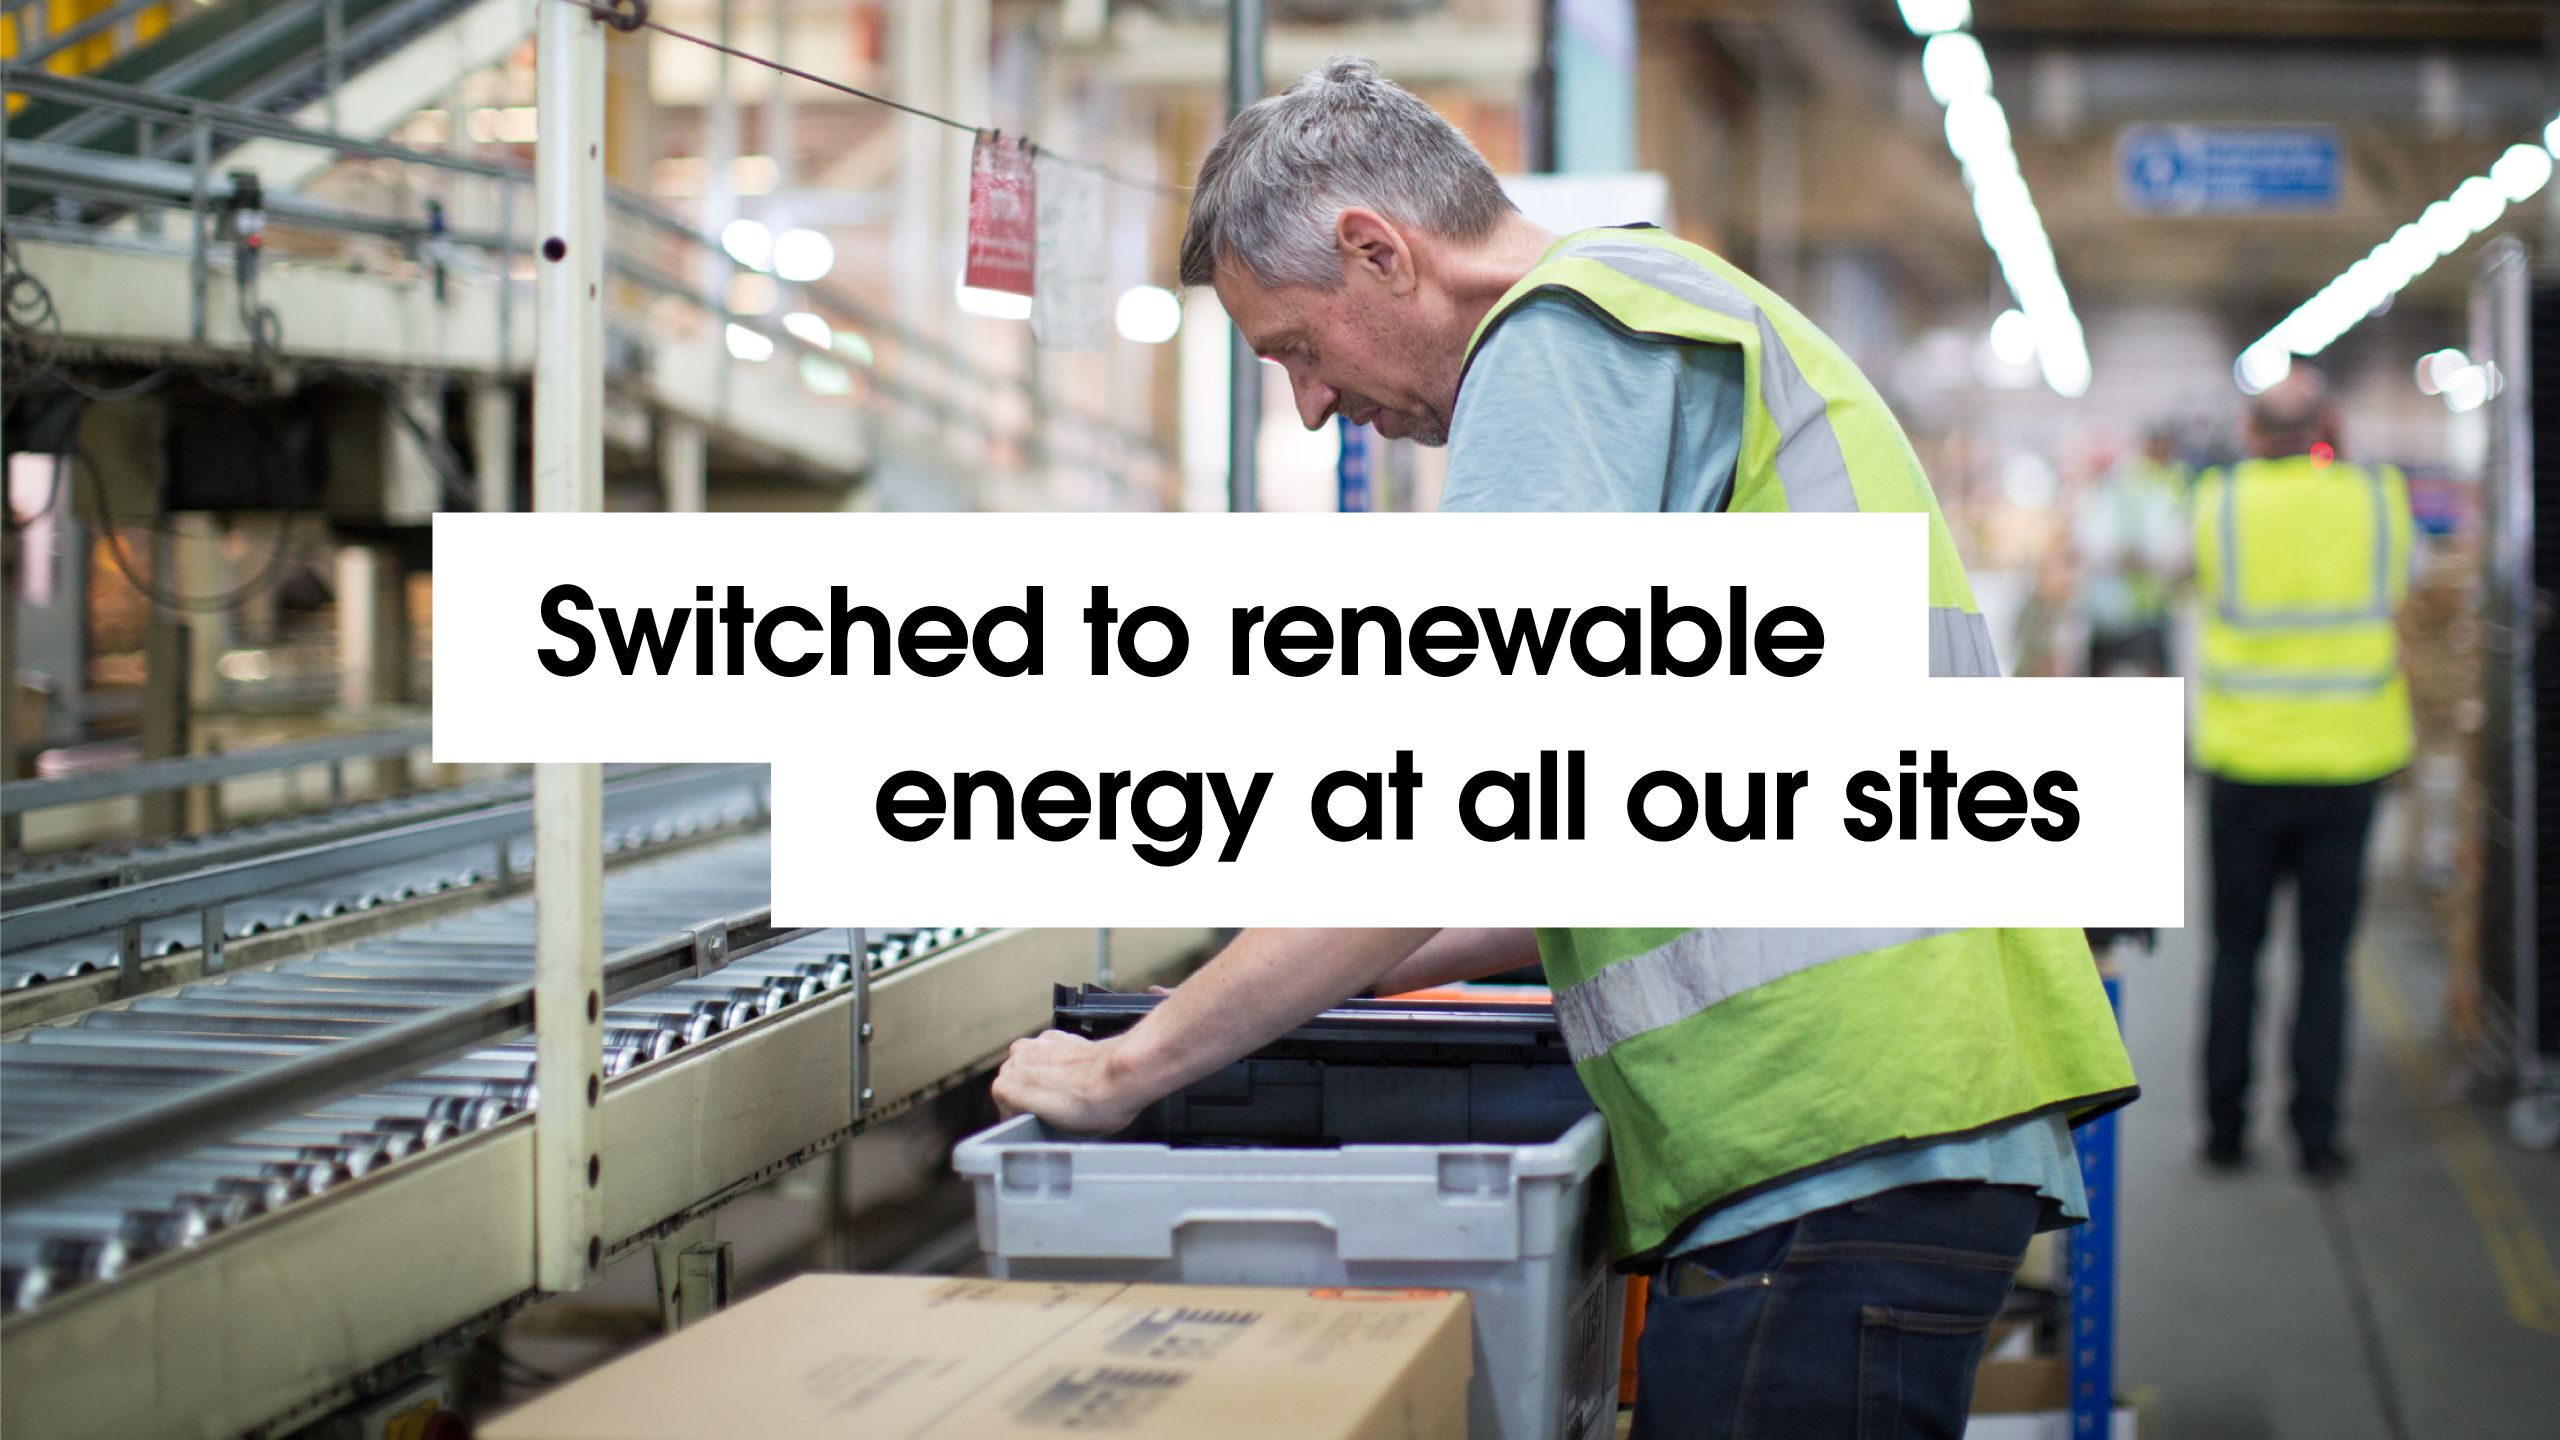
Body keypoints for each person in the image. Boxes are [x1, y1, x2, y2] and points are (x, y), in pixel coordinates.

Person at [992, 57, 2137, 1438]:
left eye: (1294, 346)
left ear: (1379, 250)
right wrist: (1276, 973)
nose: (1307, 405)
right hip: (1891, 1134)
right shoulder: (1663, 309)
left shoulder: (1563, 343)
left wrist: (1134, 1066)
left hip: (1836, 1140)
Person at [2193, 367, 2412, 1182]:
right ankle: (2316, 1138)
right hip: (2347, 764)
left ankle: (2224, 1132)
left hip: (2245, 762)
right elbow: (2400, 587)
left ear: (2251, 433)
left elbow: (2209, 586)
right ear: (2333, 427)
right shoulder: (2377, 498)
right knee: (2325, 959)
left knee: (2234, 953)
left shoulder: (2221, 501)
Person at [2074, 425, 2190, 676]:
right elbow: (2088, 546)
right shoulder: (2100, 495)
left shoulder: (2154, 491)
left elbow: (2171, 550)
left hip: (2145, 620)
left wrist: (2129, 559)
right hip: (2106, 619)